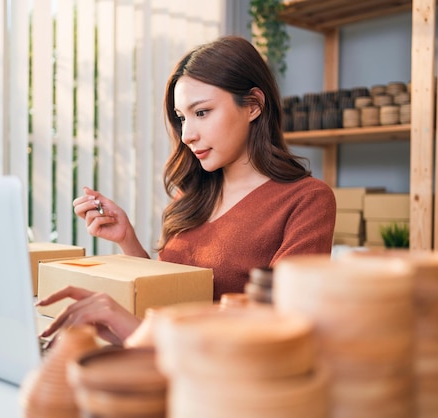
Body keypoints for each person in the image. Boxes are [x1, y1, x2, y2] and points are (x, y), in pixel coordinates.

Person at [37, 35, 336, 346]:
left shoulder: (307, 200)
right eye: (181, 118)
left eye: (202, 112)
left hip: (221, 380)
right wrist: (128, 240)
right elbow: (169, 294)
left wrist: (132, 327)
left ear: (253, 105)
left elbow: (277, 326)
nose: (187, 135)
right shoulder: (194, 195)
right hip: (159, 361)